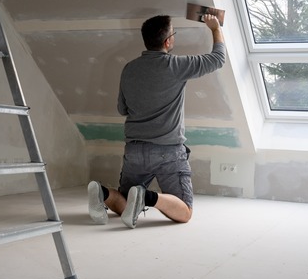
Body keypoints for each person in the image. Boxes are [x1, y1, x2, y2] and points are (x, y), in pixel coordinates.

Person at [88, 12, 226, 228]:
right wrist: (215, 28)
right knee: (185, 211)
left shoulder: (129, 69)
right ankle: (147, 197)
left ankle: (103, 193)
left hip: (134, 151)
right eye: (174, 34)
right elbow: (218, 59)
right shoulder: (177, 66)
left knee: (125, 204)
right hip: (168, 152)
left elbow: (122, 109)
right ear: (168, 41)